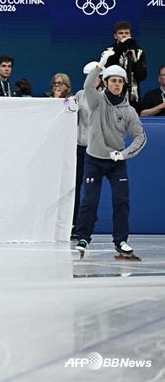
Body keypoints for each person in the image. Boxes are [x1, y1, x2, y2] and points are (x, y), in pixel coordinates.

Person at [75, 49, 147, 258]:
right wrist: (100, 64)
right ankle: (83, 237)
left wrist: (124, 154)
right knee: (90, 200)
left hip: (116, 163)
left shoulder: (129, 111)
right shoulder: (96, 101)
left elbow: (140, 137)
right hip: (93, 160)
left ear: (124, 85)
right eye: (113, 81)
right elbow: (88, 85)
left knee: (121, 201)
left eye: (120, 81)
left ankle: (121, 240)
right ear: (105, 83)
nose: (117, 84)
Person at [70, 62, 98, 240]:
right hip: (80, 148)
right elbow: (70, 113)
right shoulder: (79, 95)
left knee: (91, 188)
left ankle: (87, 223)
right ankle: (74, 223)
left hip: (97, 150)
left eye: (94, 77)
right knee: (76, 186)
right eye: (88, 77)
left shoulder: (105, 97)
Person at [104, 21, 146, 113]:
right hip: (113, 96)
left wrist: (135, 59)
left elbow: (142, 76)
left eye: (127, 33)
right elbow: (110, 64)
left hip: (133, 97)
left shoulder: (139, 52)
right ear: (115, 36)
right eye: (121, 33)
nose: (124, 35)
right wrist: (120, 47)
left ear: (130, 35)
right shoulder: (109, 51)